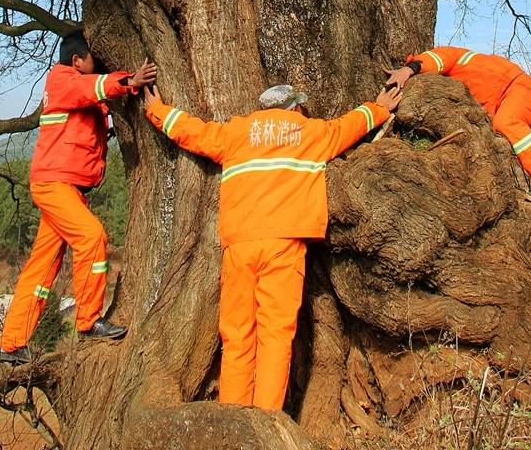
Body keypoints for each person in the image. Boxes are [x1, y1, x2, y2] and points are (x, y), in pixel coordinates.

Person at [144, 79, 402, 410]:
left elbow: (194, 132)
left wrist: (157, 110)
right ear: (294, 107)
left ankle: (234, 417)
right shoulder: (309, 132)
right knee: (275, 336)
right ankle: (265, 422)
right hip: (283, 244)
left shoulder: (236, 133)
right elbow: (348, 127)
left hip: (240, 245)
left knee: (236, 337)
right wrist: (380, 107)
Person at [0, 31, 156, 363]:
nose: (94, 67)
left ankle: (11, 344)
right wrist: (131, 79)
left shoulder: (70, 90)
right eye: (91, 62)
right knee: (92, 237)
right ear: (75, 61)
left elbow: (82, 122)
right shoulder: (64, 80)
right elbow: (94, 87)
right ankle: (87, 321)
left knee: (41, 268)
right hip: (56, 186)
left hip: (63, 187)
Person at [386, 45, 531, 204]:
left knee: (506, 122)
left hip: (519, 89)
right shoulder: (459, 85)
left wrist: (409, 69)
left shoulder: (450, 56)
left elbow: (435, 59)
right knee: (498, 131)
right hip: (508, 98)